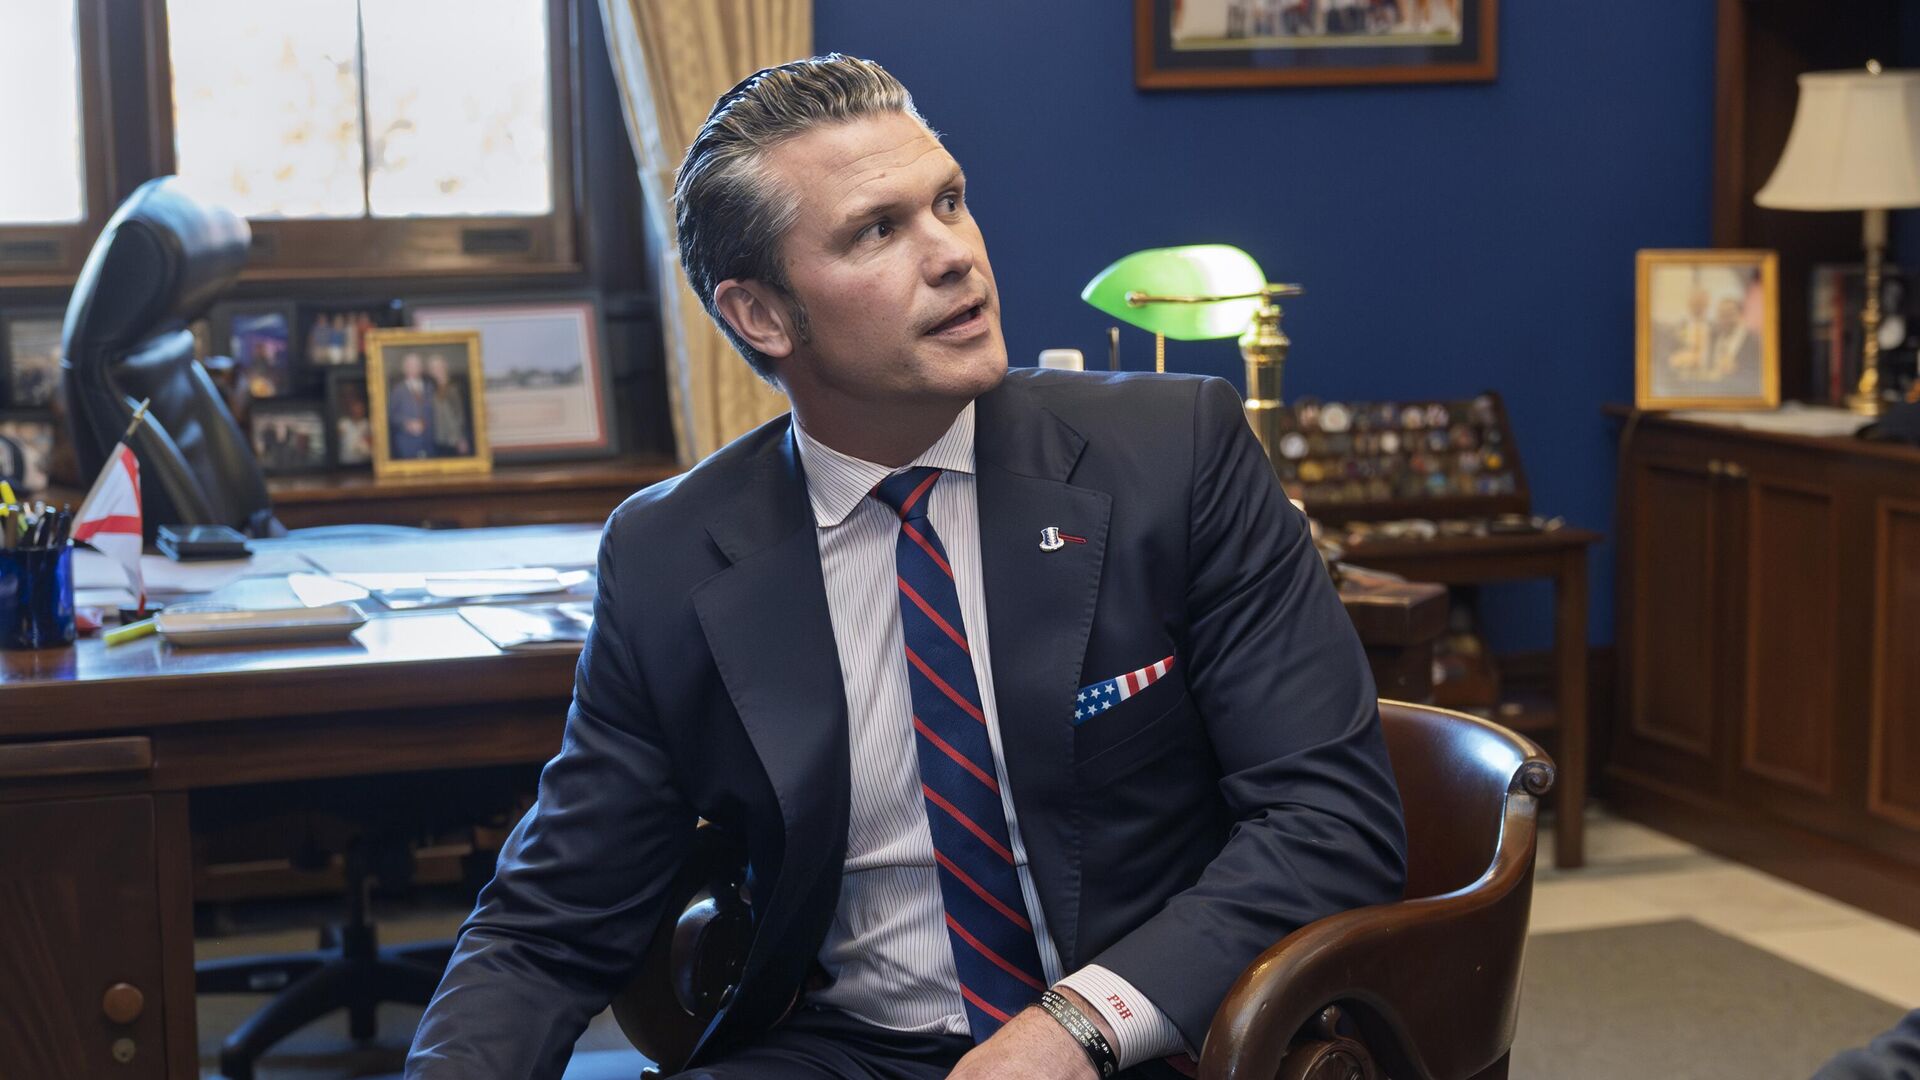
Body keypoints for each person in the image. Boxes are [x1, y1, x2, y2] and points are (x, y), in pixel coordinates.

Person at [406, 54, 1405, 1080]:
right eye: (877, 231)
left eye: (950, 202)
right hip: (843, 1051)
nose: (955, 255)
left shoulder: (1175, 454)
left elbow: (1331, 821)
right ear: (761, 316)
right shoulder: (670, 556)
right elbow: (546, 926)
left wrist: (1078, 1024)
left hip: (1145, 1040)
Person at [388, 351, 435, 459]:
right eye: (410, 365)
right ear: (404, 368)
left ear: (421, 368)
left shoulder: (430, 388)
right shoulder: (397, 390)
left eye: (417, 365)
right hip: (407, 444)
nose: (414, 368)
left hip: (429, 443)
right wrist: (406, 423)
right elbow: (391, 416)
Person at [427, 352, 473, 457]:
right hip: (438, 441)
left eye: (439, 366)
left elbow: (464, 415)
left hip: (456, 441)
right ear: (430, 371)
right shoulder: (430, 389)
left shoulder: (458, 387)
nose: (437, 370)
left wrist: (462, 439)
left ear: (445, 366)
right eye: (433, 368)